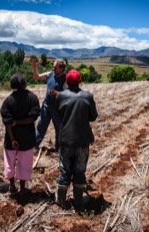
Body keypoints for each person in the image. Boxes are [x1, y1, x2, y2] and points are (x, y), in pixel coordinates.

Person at [54, 70, 98, 212]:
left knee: (64, 170)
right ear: (80, 82)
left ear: (66, 82)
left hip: (66, 140)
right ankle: (78, 202)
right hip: (82, 141)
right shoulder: (88, 96)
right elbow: (93, 117)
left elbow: (59, 114)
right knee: (79, 171)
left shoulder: (60, 96)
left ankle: (61, 201)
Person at [0, 73, 40, 194]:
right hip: (27, 137)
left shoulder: (8, 101)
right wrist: (19, 122)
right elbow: (33, 118)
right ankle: (22, 188)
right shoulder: (32, 98)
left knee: (9, 161)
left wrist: (12, 139)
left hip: (11, 137)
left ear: (12, 85)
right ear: (24, 84)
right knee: (25, 162)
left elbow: (7, 123)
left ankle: (12, 185)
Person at [31, 59, 67, 152]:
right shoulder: (50, 74)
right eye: (53, 67)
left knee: (59, 128)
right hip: (46, 105)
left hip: (58, 108)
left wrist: (58, 93)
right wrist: (34, 68)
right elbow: (37, 76)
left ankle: (59, 149)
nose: (53, 68)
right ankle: (34, 146)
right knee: (40, 126)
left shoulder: (65, 79)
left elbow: (68, 95)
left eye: (55, 67)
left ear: (61, 69)